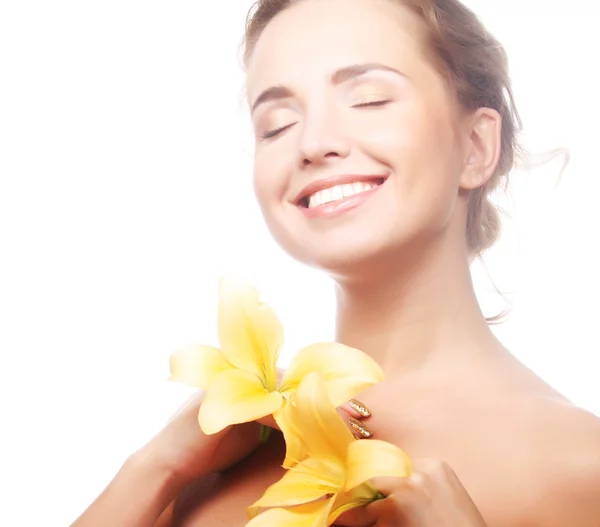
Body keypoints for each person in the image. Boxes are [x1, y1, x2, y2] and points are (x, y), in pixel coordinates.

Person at [71, 0, 600, 525]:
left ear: (476, 145)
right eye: (276, 125)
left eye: (369, 99)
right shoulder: (210, 456)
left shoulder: (582, 468)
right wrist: (152, 470)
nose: (313, 142)